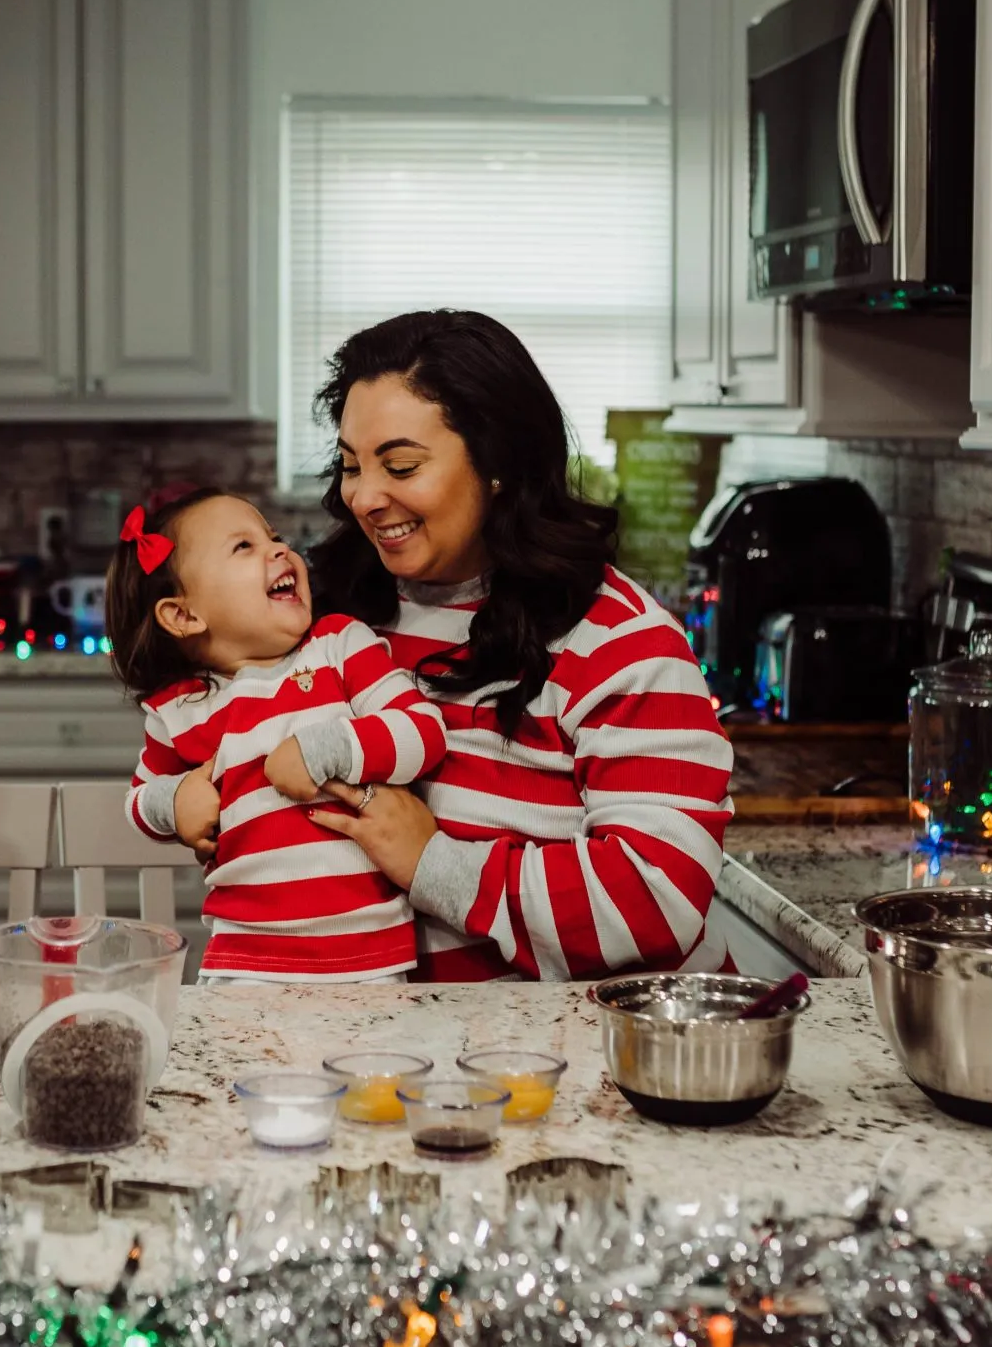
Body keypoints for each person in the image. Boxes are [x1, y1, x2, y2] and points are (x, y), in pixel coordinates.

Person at [294, 309, 733, 983]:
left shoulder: (619, 642)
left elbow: (653, 900)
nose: (364, 497)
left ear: (497, 463)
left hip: (573, 1059)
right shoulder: (338, 616)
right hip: (386, 1057)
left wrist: (431, 863)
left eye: (401, 464)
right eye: (351, 465)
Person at [109, 487, 447, 983]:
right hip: (243, 965)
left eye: (274, 537)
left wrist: (324, 749)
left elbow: (423, 732)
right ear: (183, 615)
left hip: (368, 960)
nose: (278, 549)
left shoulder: (339, 645)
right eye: (242, 547)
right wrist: (175, 801)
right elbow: (139, 800)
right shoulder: (177, 710)